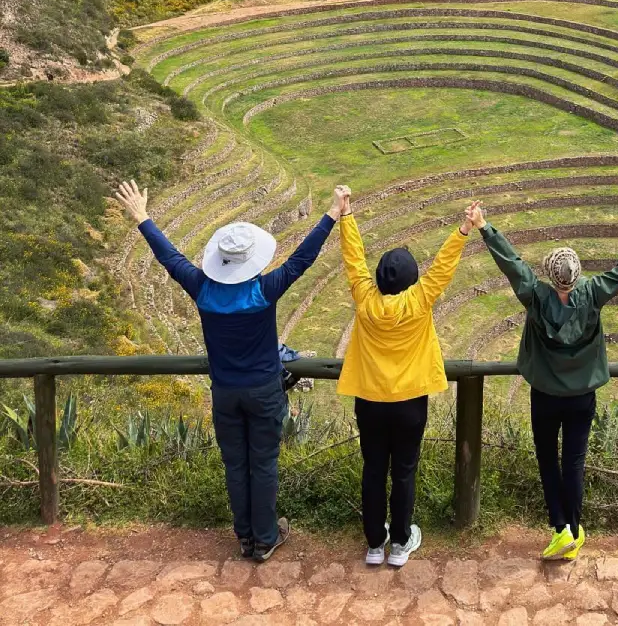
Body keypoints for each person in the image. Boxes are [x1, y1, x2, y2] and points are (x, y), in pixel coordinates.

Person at [113, 179, 351, 561]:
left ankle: (245, 537)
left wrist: (142, 217)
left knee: (236, 464)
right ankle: (266, 537)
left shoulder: (202, 289)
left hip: (224, 391)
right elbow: (301, 260)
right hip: (263, 390)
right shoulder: (263, 290)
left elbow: (170, 258)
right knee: (264, 463)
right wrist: (333, 213)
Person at [474, 202, 618, 561]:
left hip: (546, 394)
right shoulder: (593, 293)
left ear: (550, 276)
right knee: (575, 461)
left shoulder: (535, 297)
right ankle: (575, 532)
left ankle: (561, 529)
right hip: (583, 395)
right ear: (577, 274)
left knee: (548, 459)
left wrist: (485, 227)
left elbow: (512, 265)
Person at [336, 194, 478, 568]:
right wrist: (464, 229)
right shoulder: (420, 300)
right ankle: (399, 544)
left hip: (369, 399)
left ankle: (373, 543)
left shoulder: (365, 299)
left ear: (379, 279)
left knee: (372, 469)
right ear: (413, 279)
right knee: (404, 472)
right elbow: (443, 268)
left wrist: (347, 213)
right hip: (410, 402)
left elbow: (354, 260)